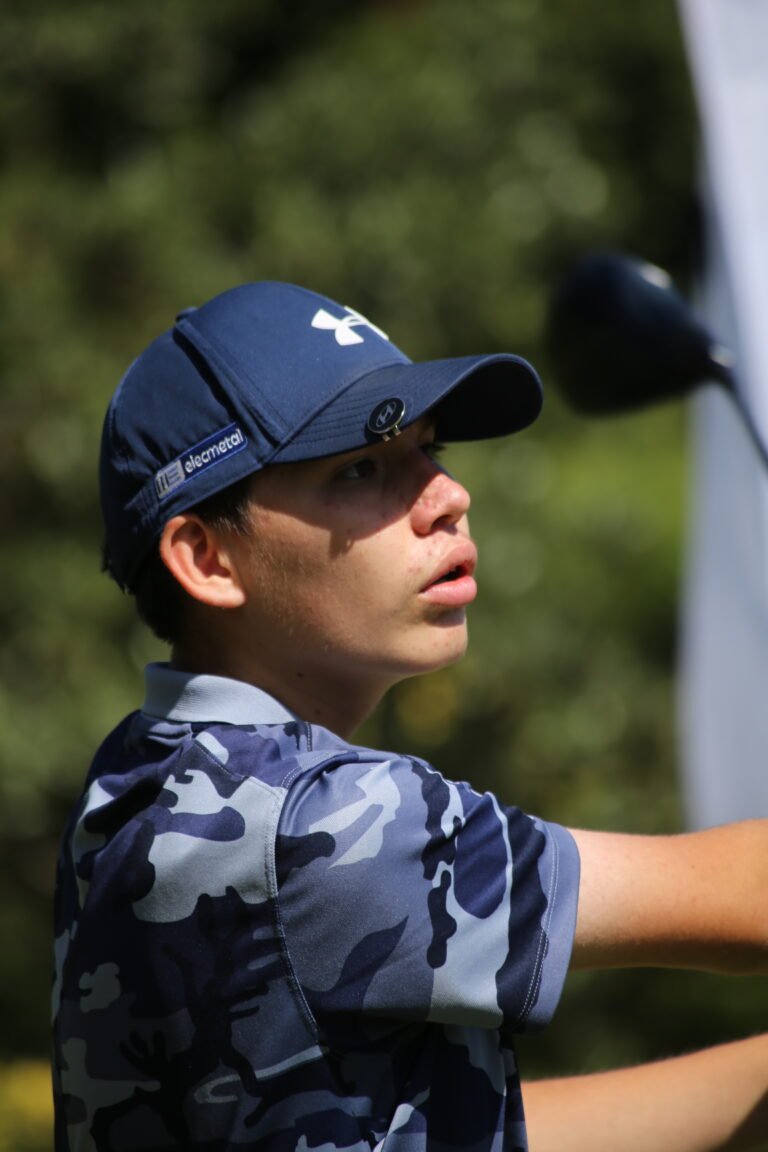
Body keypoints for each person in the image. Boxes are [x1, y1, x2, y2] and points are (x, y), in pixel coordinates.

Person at [52, 280, 768, 1152]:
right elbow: (746, 899)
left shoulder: (131, 785)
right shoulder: (316, 821)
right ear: (207, 558)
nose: (447, 495)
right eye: (360, 468)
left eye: (429, 450)